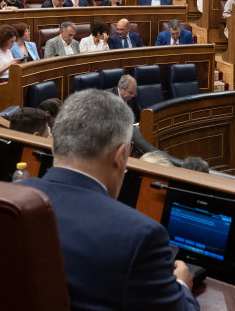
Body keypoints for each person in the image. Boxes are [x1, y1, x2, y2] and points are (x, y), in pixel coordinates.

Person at [20, 89, 199, 309]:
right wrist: (182, 283)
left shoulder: (12, 199)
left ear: (55, 144)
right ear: (119, 156)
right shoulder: (140, 236)